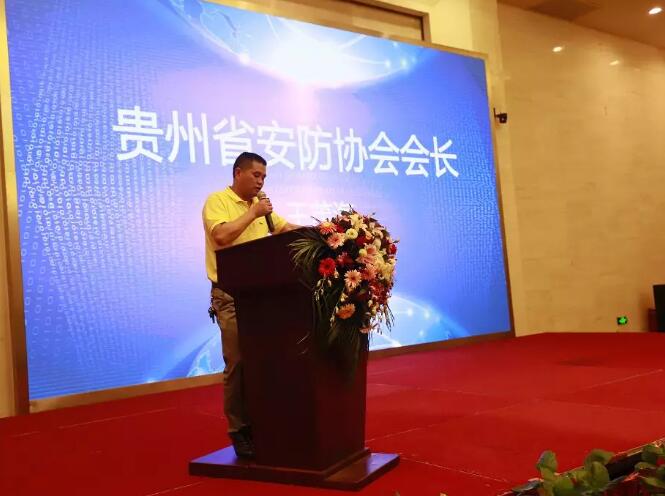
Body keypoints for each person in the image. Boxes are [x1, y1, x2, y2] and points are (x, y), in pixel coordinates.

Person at [202, 151, 299, 459]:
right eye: (256, 175)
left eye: (264, 177)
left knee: (267, 360)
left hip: (263, 296)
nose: (261, 182)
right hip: (230, 295)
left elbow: (282, 229)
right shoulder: (218, 200)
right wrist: (254, 212)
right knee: (238, 362)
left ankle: (266, 422)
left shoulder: (262, 205)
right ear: (238, 173)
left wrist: (322, 232)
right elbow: (221, 236)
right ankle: (239, 429)